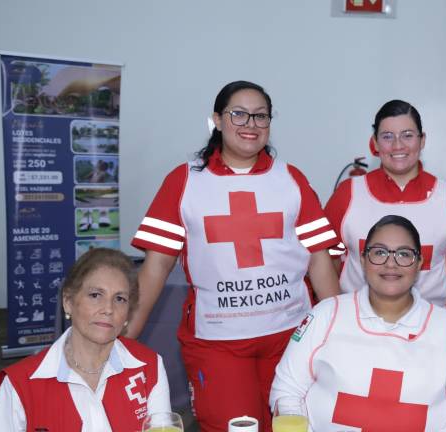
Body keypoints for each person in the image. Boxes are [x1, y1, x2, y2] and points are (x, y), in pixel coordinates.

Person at [127, 81, 341, 431]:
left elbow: (319, 259)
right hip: (218, 344)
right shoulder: (184, 181)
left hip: (291, 338)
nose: (250, 124)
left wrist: (340, 330)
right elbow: (156, 267)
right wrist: (121, 342)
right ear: (217, 119)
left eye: (260, 116)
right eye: (238, 114)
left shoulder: (291, 178)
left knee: (296, 426)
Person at [271, 215, 446, 431]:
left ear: (419, 263)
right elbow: (287, 390)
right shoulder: (327, 314)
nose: (390, 263)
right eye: (379, 252)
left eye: (404, 254)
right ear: (363, 260)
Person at [0, 248, 171, 431]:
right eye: (95, 295)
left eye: (120, 299)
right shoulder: (21, 383)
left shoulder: (148, 366)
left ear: (128, 312)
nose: (108, 308)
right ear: (68, 301)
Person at [325, 99, 446, 307]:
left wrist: (437, 288)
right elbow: (326, 258)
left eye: (407, 135)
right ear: (374, 142)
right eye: (387, 136)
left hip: (430, 324)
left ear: (422, 140)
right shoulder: (348, 194)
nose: (398, 145)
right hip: (358, 325)